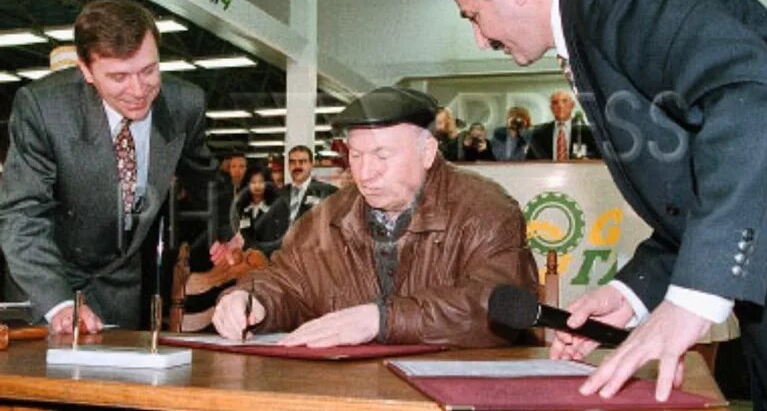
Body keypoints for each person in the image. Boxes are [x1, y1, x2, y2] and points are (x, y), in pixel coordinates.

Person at [439, 0, 767, 411]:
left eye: (472, 15)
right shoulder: (591, 32)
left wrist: (696, 295)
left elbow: (755, 98)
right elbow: (699, 191)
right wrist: (631, 293)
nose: (478, 38)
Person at [211, 86, 538, 347]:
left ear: (427, 152)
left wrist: (382, 320)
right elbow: (286, 282)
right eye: (356, 155)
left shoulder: (486, 211)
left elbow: (495, 308)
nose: (365, 173)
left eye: (382, 155)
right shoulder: (328, 217)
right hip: (358, 397)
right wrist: (252, 300)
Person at [0, 0, 232, 332]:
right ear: (86, 71)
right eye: (119, 76)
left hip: (120, 292)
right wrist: (60, 304)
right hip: (48, 287)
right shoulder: (44, 108)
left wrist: (226, 231)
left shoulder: (184, 104)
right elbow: (22, 213)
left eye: (149, 70)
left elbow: (204, 175)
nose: (139, 90)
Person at [249, 145, 337, 257]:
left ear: (311, 164)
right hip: (281, 260)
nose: (297, 166)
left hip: (314, 260)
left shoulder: (329, 193)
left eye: (302, 162)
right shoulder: (276, 196)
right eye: (292, 162)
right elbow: (266, 231)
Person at [527, 91, 599, 160]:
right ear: (551, 108)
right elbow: (531, 160)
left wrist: (588, 159)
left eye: (564, 101)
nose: (560, 106)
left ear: (572, 105)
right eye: (555, 103)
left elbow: (598, 155)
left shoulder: (587, 132)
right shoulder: (539, 133)